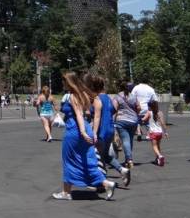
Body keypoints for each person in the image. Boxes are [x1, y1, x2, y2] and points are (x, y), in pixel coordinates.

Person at [52, 72, 116, 201]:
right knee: (88, 160)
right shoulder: (85, 95)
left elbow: (79, 115)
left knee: (69, 160)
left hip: (75, 131)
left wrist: (82, 132)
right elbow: (88, 113)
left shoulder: (73, 96)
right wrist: (90, 132)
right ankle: (106, 183)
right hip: (86, 129)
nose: (63, 84)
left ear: (69, 82)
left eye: (64, 82)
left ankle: (66, 192)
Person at [87, 75, 131, 186]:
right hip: (110, 130)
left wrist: (94, 131)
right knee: (106, 155)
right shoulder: (107, 98)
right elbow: (113, 110)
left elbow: (94, 115)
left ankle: (101, 182)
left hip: (101, 131)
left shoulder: (97, 99)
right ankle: (122, 170)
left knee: (97, 156)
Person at [114, 80, 139, 169]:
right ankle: (127, 160)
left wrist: (113, 121)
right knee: (130, 140)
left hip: (121, 120)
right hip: (133, 121)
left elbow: (114, 109)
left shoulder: (117, 97)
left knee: (125, 140)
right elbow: (139, 107)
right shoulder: (133, 96)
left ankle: (129, 159)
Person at [144, 100, 168, 165]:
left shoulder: (149, 112)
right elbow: (163, 123)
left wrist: (140, 119)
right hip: (159, 132)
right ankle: (157, 159)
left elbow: (144, 119)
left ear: (150, 107)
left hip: (153, 132)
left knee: (154, 146)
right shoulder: (160, 112)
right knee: (158, 146)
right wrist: (165, 132)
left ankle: (160, 156)